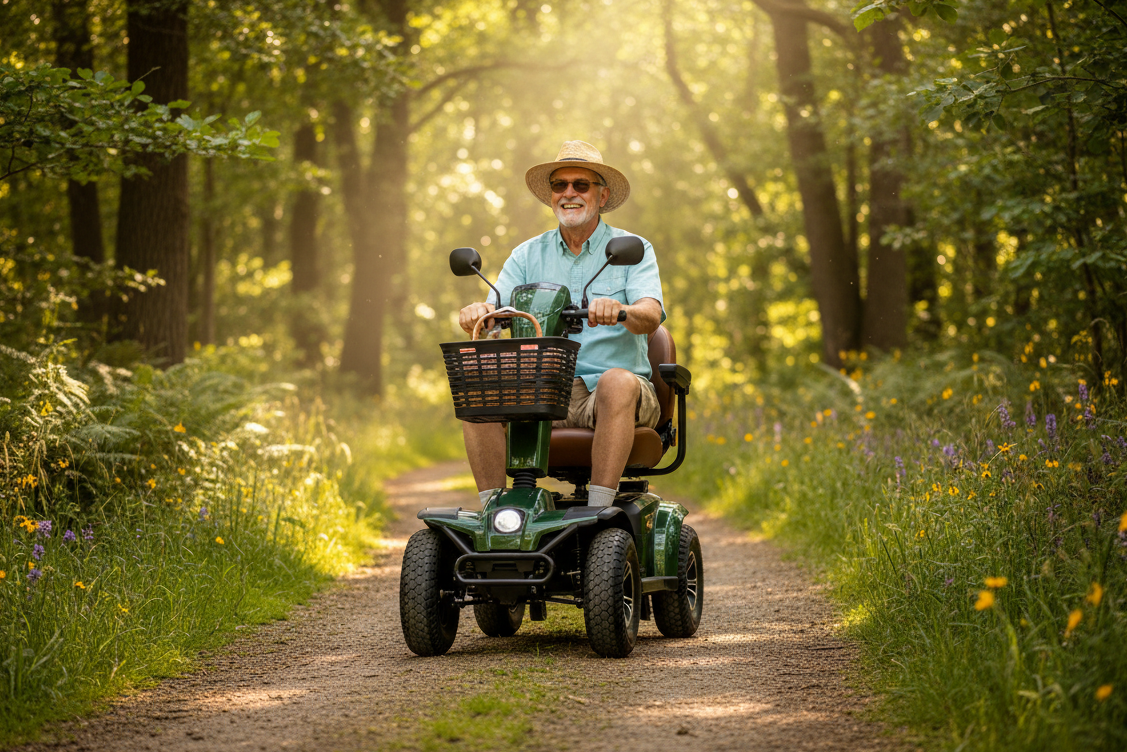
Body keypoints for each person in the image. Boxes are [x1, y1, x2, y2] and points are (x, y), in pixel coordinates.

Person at [458, 140, 665, 507]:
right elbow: (494, 316)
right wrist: (479, 313)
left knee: (616, 382)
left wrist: (621, 309)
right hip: (543, 393)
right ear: (551, 195)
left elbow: (649, 316)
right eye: (560, 185)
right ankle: (496, 513)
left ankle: (599, 509)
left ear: (602, 196)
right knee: (480, 380)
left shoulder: (633, 248)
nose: (569, 193)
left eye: (581, 184)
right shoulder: (526, 255)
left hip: (616, 393)